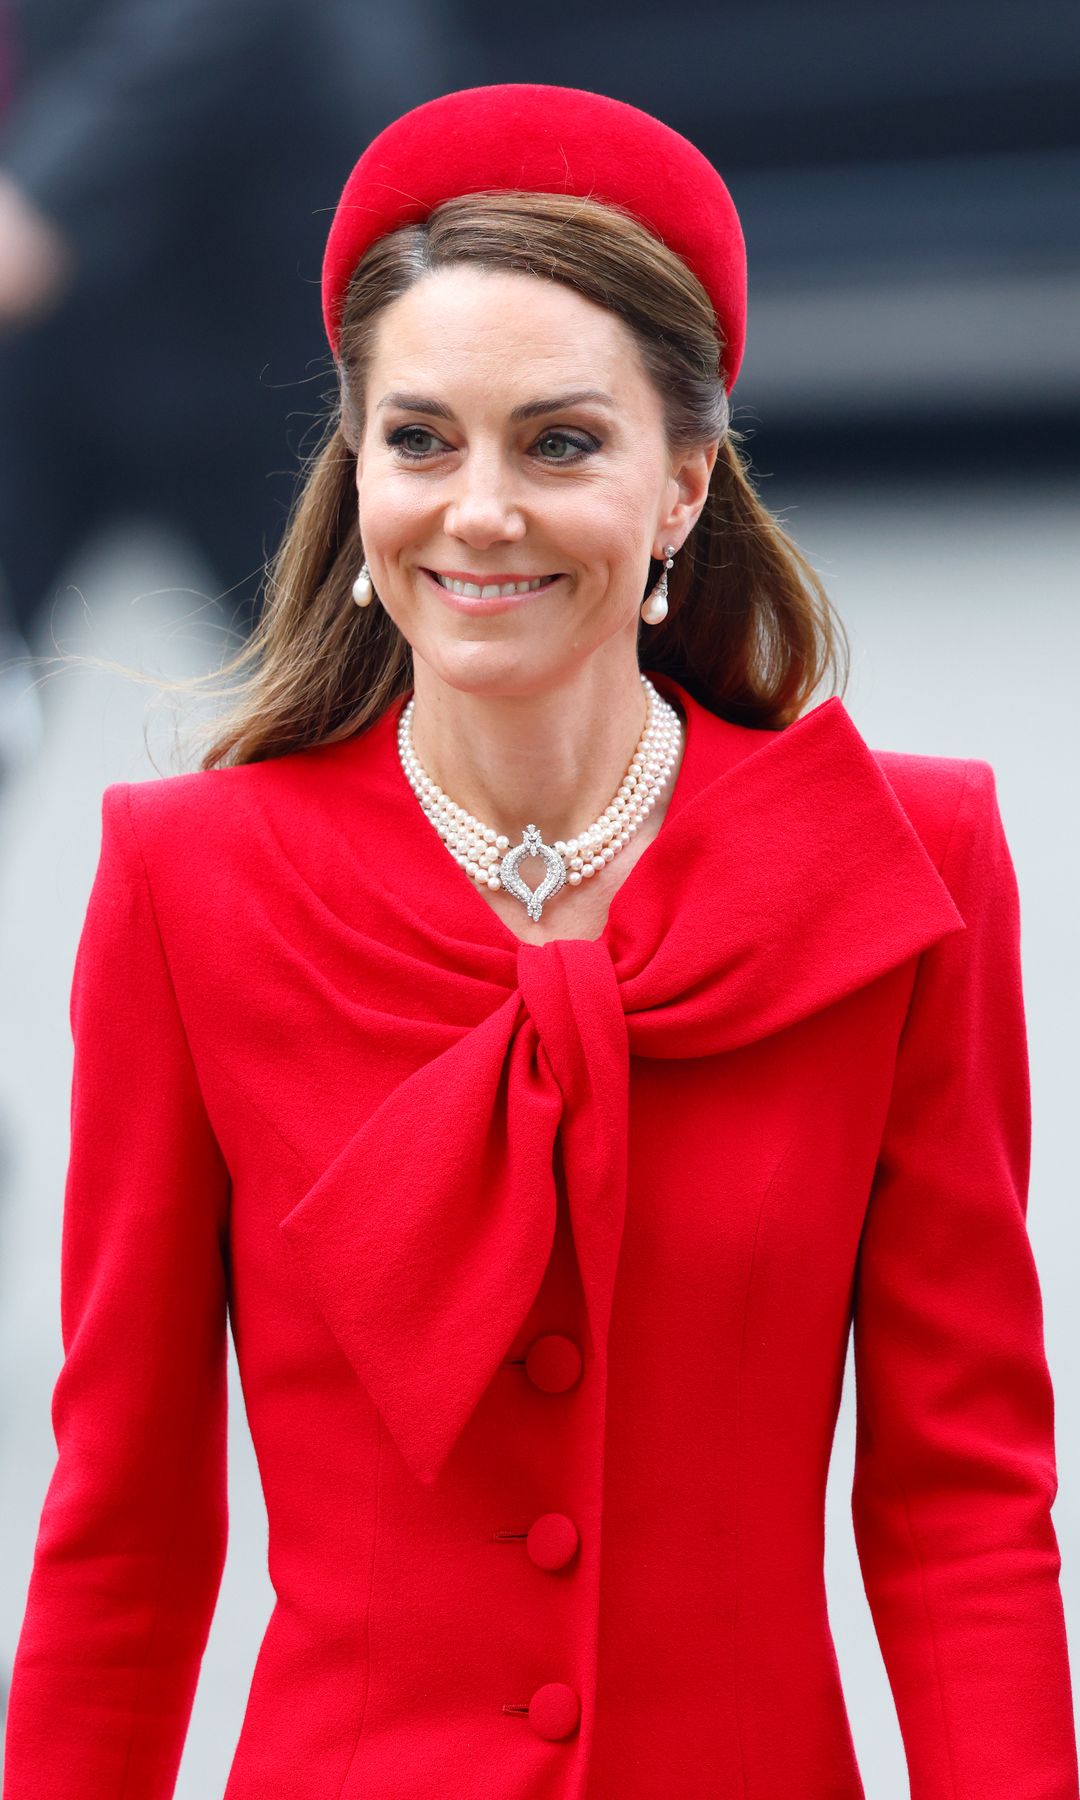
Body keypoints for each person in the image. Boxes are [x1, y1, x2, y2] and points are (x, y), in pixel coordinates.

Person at [3, 81, 1077, 1798]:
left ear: (682, 488)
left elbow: (964, 1512)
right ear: (358, 471)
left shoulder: (902, 868)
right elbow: (121, 1537)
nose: (477, 511)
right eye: (419, 440)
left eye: (559, 442)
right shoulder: (184, 883)